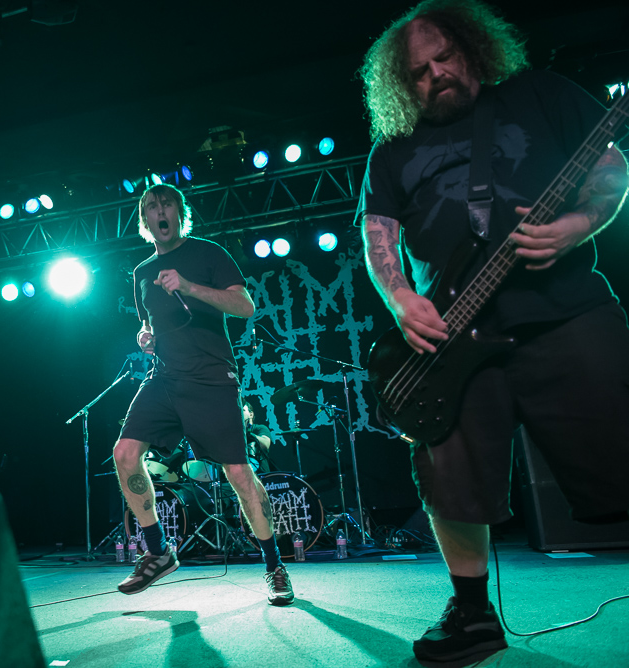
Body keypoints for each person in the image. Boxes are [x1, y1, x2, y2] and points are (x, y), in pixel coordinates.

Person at [357, 0, 629, 662]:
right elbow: (377, 233)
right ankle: (472, 613)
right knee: (445, 467)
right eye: (417, 72)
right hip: (451, 338)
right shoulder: (392, 152)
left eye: (444, 57)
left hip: (562, 308)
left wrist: (574, 228)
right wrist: (399, 297)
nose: (435, 75)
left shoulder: (540, 95)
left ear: (473, 49)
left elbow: (610, 170)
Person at [113, 183, 294, 606]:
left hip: (211, 379)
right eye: (151, 207)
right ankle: (158, 551)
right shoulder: (141, 274)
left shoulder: (208, 253)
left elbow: (245, 306)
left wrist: (190, 286)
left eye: (166, 204)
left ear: (179, 213)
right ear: (145, 222)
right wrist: (146, 336)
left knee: (238, 474)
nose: (159, 211)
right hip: (164, 379)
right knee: (124, 453)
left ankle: (274, 565)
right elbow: (153, 324)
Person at [243, 399, 273, 474]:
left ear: (251, 414)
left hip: (261, 475)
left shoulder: (259, 428)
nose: (239, 412)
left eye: (242, 410)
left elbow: (265, 444)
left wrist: (248, 434)